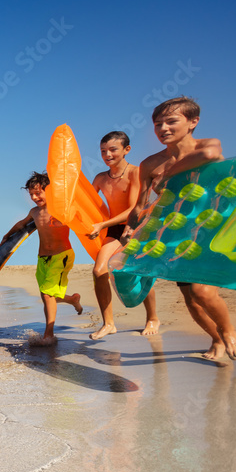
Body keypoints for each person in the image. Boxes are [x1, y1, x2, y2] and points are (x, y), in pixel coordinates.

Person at [127, 96, 236, 361]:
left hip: (212, 228)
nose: (163, 128)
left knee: (203, 291)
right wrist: (132, 230)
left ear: (193, 122)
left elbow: (211, 156)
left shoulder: (206, 145)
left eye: (171, 121)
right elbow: (141, 204)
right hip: (177, 233)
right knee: (191, 299)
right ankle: (215, 339)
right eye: (157, 124)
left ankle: (228, 330)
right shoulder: (149, 164)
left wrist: (168, 174)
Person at [86, 131, 159, 339]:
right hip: (115, 229)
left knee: (140, 273)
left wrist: (102, 224)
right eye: (103, 151)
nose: (107, 154)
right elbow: (88, 204)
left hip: (138, 226)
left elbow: (134, 209)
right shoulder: (100, 178)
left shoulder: (136, 173)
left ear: (127, 150)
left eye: (112, 149)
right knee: (99, 271)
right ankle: (108, 323)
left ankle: (152, 317)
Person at [1, 172, 83, 346]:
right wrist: (8, 235)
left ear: (50, 191)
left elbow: (79, 217)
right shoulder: (35, 212)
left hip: (62, 256)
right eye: (31, 194)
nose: (34, 197)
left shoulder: (61, 210)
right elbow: (21, 224)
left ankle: (48, 334)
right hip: (43, 258)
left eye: (38, 192)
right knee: (48, 295)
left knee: (47, 294)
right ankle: (72, 300)